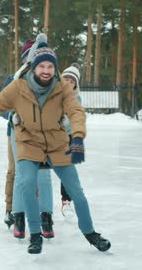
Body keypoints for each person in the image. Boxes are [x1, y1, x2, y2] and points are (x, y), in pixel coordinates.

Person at [0, 34, 111, 255]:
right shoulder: (18, 87)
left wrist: (77, 135)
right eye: (42, 65)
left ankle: (91, 234)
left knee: (76, 192)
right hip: (29, 143)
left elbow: (76, 112)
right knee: (27, 185)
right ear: (33, 67)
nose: (46, 70)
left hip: (57, 144)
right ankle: (35, 234)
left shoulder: (63, 88)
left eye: (51, 66)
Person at [1, 39, 54, 240]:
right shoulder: (15, 78)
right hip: (15, 132)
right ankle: (11, 209)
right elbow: (3, 103)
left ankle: (41, 213)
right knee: (15, 171)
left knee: (41, 173)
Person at [60, 65, 81, 218]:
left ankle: (66, 200)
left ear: (75, 84)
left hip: (68, 135)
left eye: (71, 81)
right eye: (65, 79)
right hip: (52, 135)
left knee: (67, 168)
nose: (68, 83)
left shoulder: (76, 99)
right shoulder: (54, 94)